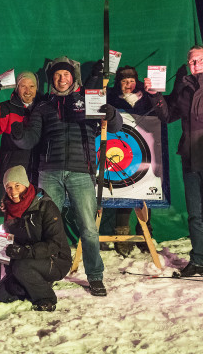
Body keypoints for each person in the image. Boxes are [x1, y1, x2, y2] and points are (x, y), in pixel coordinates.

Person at [11, 56, 123, 296]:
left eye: (66, 75)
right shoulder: (43, 106)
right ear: (52, 79)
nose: (62, 79)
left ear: (73, 77)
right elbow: (31, 138)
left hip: (81, 171)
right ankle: (46, 271)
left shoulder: (88, 99)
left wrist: (111, 113)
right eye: (57, 75)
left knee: (88, 228)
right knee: (45, 227)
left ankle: (95, 276)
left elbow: (114, 127)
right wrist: (19, 135)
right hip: (49, 172)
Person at [145, 45, 203, 277]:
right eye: (192, 61)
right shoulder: (184, 88)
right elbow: (168, 116)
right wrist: (154, 95)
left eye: (200, 59)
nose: (195, 64)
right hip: (191, 159)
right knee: (195, 213)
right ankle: (198, 260)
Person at [0, 165, 72, 311]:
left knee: (22, 267)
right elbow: (12, 243)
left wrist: (25, 252)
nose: (13, 192)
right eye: (9, 187)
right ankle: (33, 282)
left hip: (55, 260)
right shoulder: (10, 209)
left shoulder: (45, 206)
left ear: (26, 184)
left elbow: (55, 244)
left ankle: (46, 298)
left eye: (17, 185)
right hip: (26, 260)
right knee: (1, 296)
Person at [106, 65, 154, 256]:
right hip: (121, 151)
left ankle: (145, 234)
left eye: (132, 81)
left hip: (145, 151)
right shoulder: (111, 99)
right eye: (124, 82)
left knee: (147, 193)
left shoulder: (146, 98)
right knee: (123, 190)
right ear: (119, 83)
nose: (128, 85)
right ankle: (122, 236)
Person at [0, 71, 41, 215]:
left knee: (36, 213)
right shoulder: (7, 107)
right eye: (23, 86)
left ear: (37, 88)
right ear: (16, 88)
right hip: (13, 170)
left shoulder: (43, 108)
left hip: (38, 170)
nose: (28, 90)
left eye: (31, 86)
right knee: (12, 214)